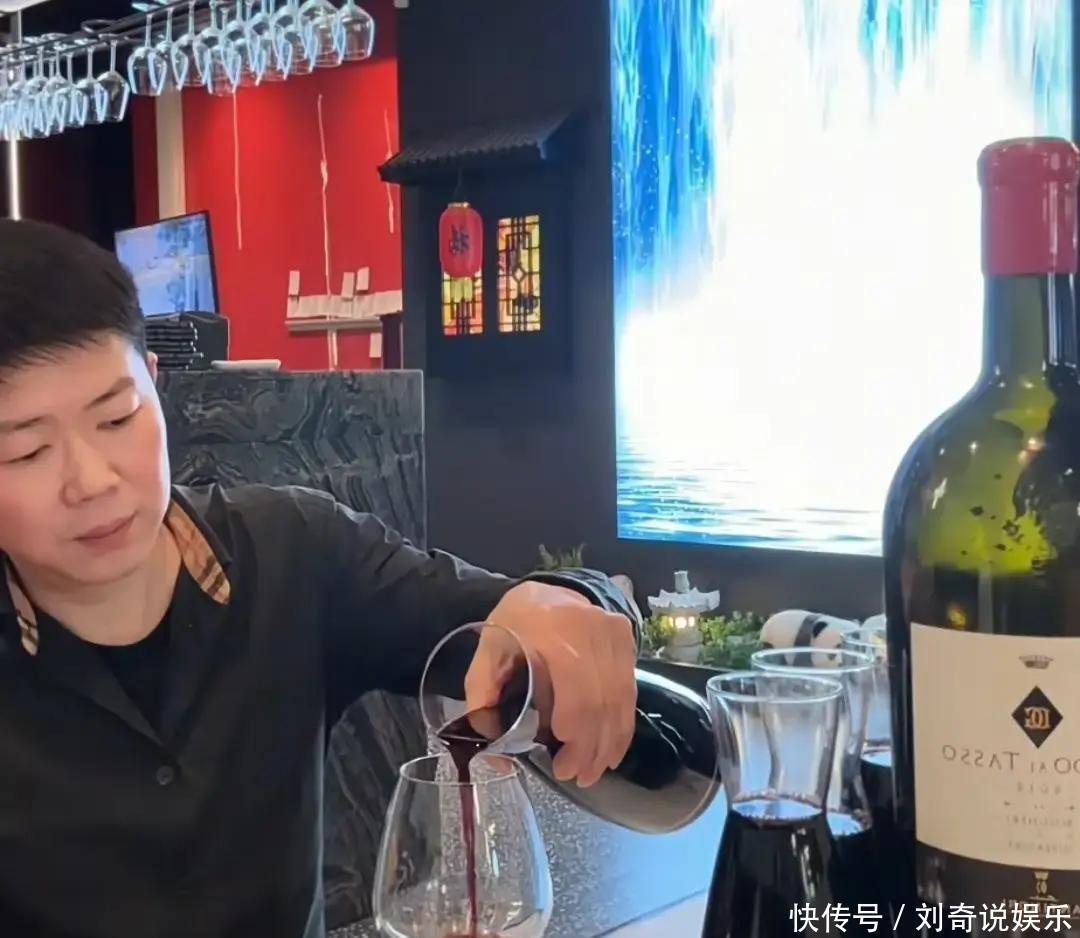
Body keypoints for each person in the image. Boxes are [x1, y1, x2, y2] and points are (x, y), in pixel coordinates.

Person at [0, 219, 641, 938]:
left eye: (117, 419)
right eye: (26, 453)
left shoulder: (290, 551)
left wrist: (570, 604)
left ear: (155, 382)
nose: (91, 481)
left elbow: (503, 623)